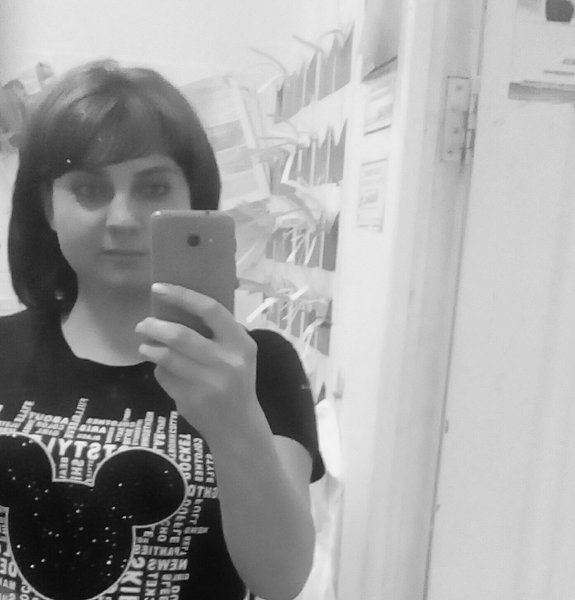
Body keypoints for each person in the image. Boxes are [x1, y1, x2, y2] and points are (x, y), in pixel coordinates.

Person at [0, 59, 324, 600]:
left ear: (191, 200)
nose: (122, 219)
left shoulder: (254, 364)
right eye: (89, 189)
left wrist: (235, 422)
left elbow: (280, 580)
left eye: (152, 188)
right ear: (48, 207)